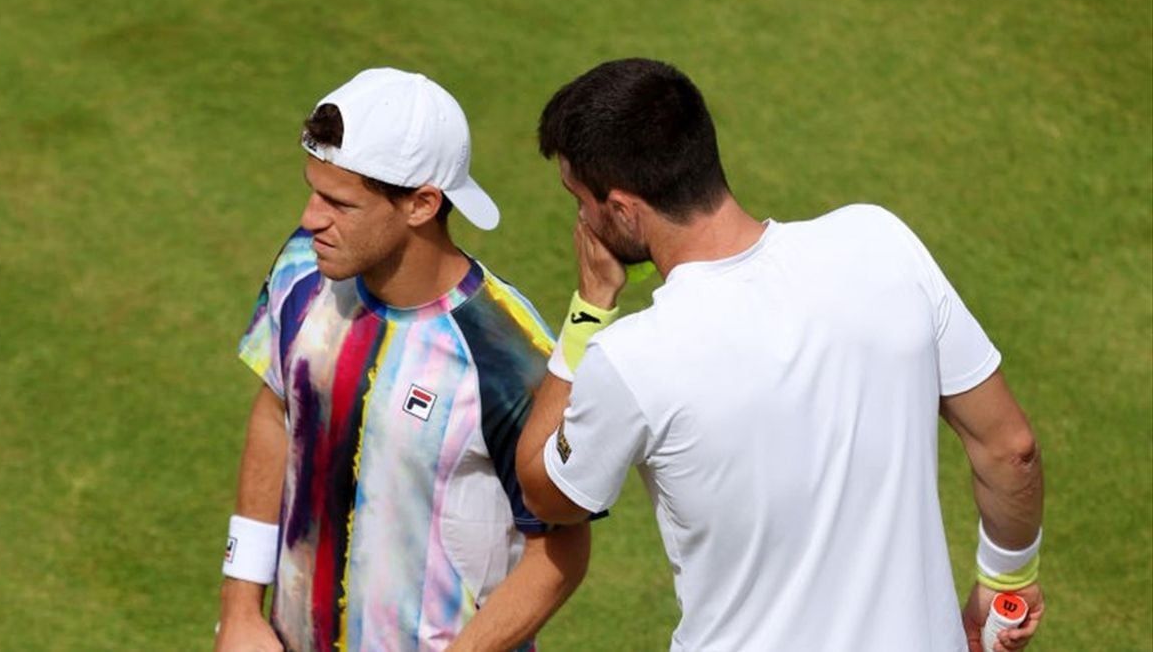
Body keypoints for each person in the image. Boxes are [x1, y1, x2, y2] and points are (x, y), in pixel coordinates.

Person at [515, 58, 1044, 652]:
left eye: (579, 200)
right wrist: (1008, 583)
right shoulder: (880, 242)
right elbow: (1010, 450)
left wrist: (589, 308)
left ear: (622, 209)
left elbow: (547, 492)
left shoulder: (630, 357)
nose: (580, 219)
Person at [216, 68, 589, 652]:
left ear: (421, 204)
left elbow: (561, 550)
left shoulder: (509, 354)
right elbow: (275, 413)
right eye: (314, 190)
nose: (312, 217)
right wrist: (240, 608)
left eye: (340, 203)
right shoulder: (301, 267)